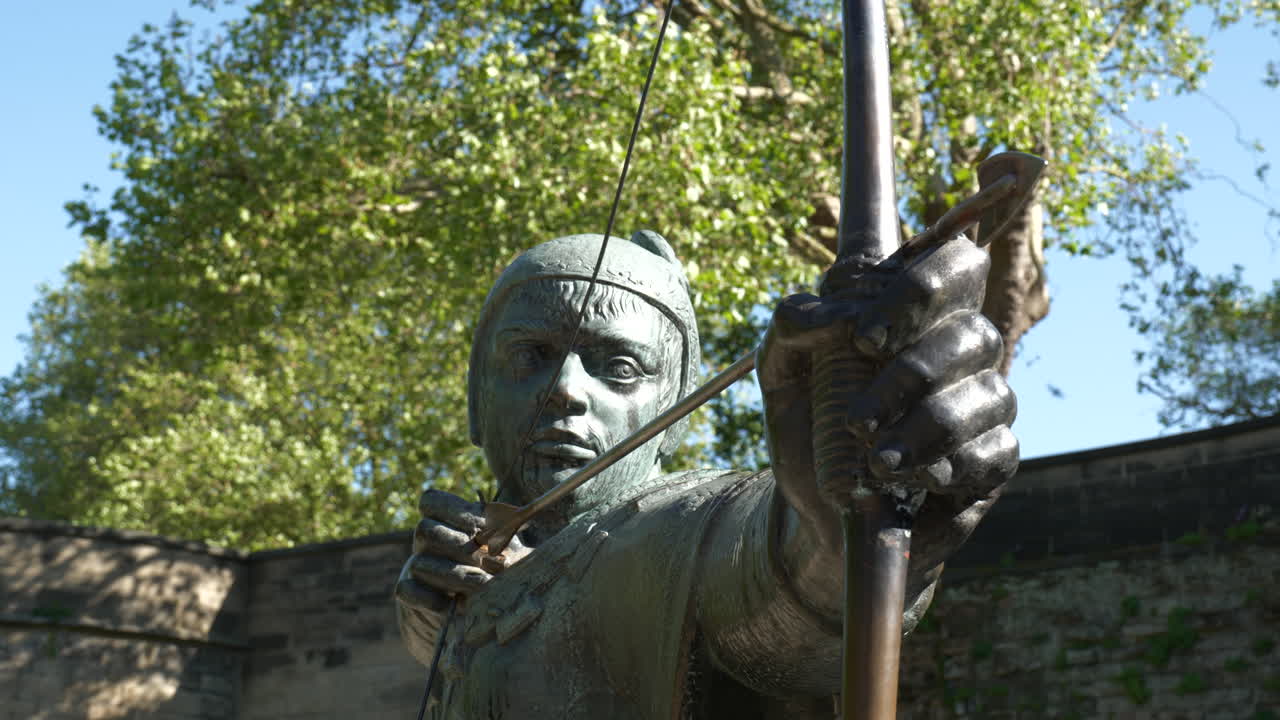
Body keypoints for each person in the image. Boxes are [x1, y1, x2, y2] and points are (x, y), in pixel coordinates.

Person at [393, 230, 1016, 719]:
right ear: (476, 399)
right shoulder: (479, 562)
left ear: (673, 411)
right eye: (529, 356)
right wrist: (437, 613)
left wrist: (844, 520)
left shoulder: (673, 532)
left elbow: (783, 573)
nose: (565, 390)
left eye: (620, 366)